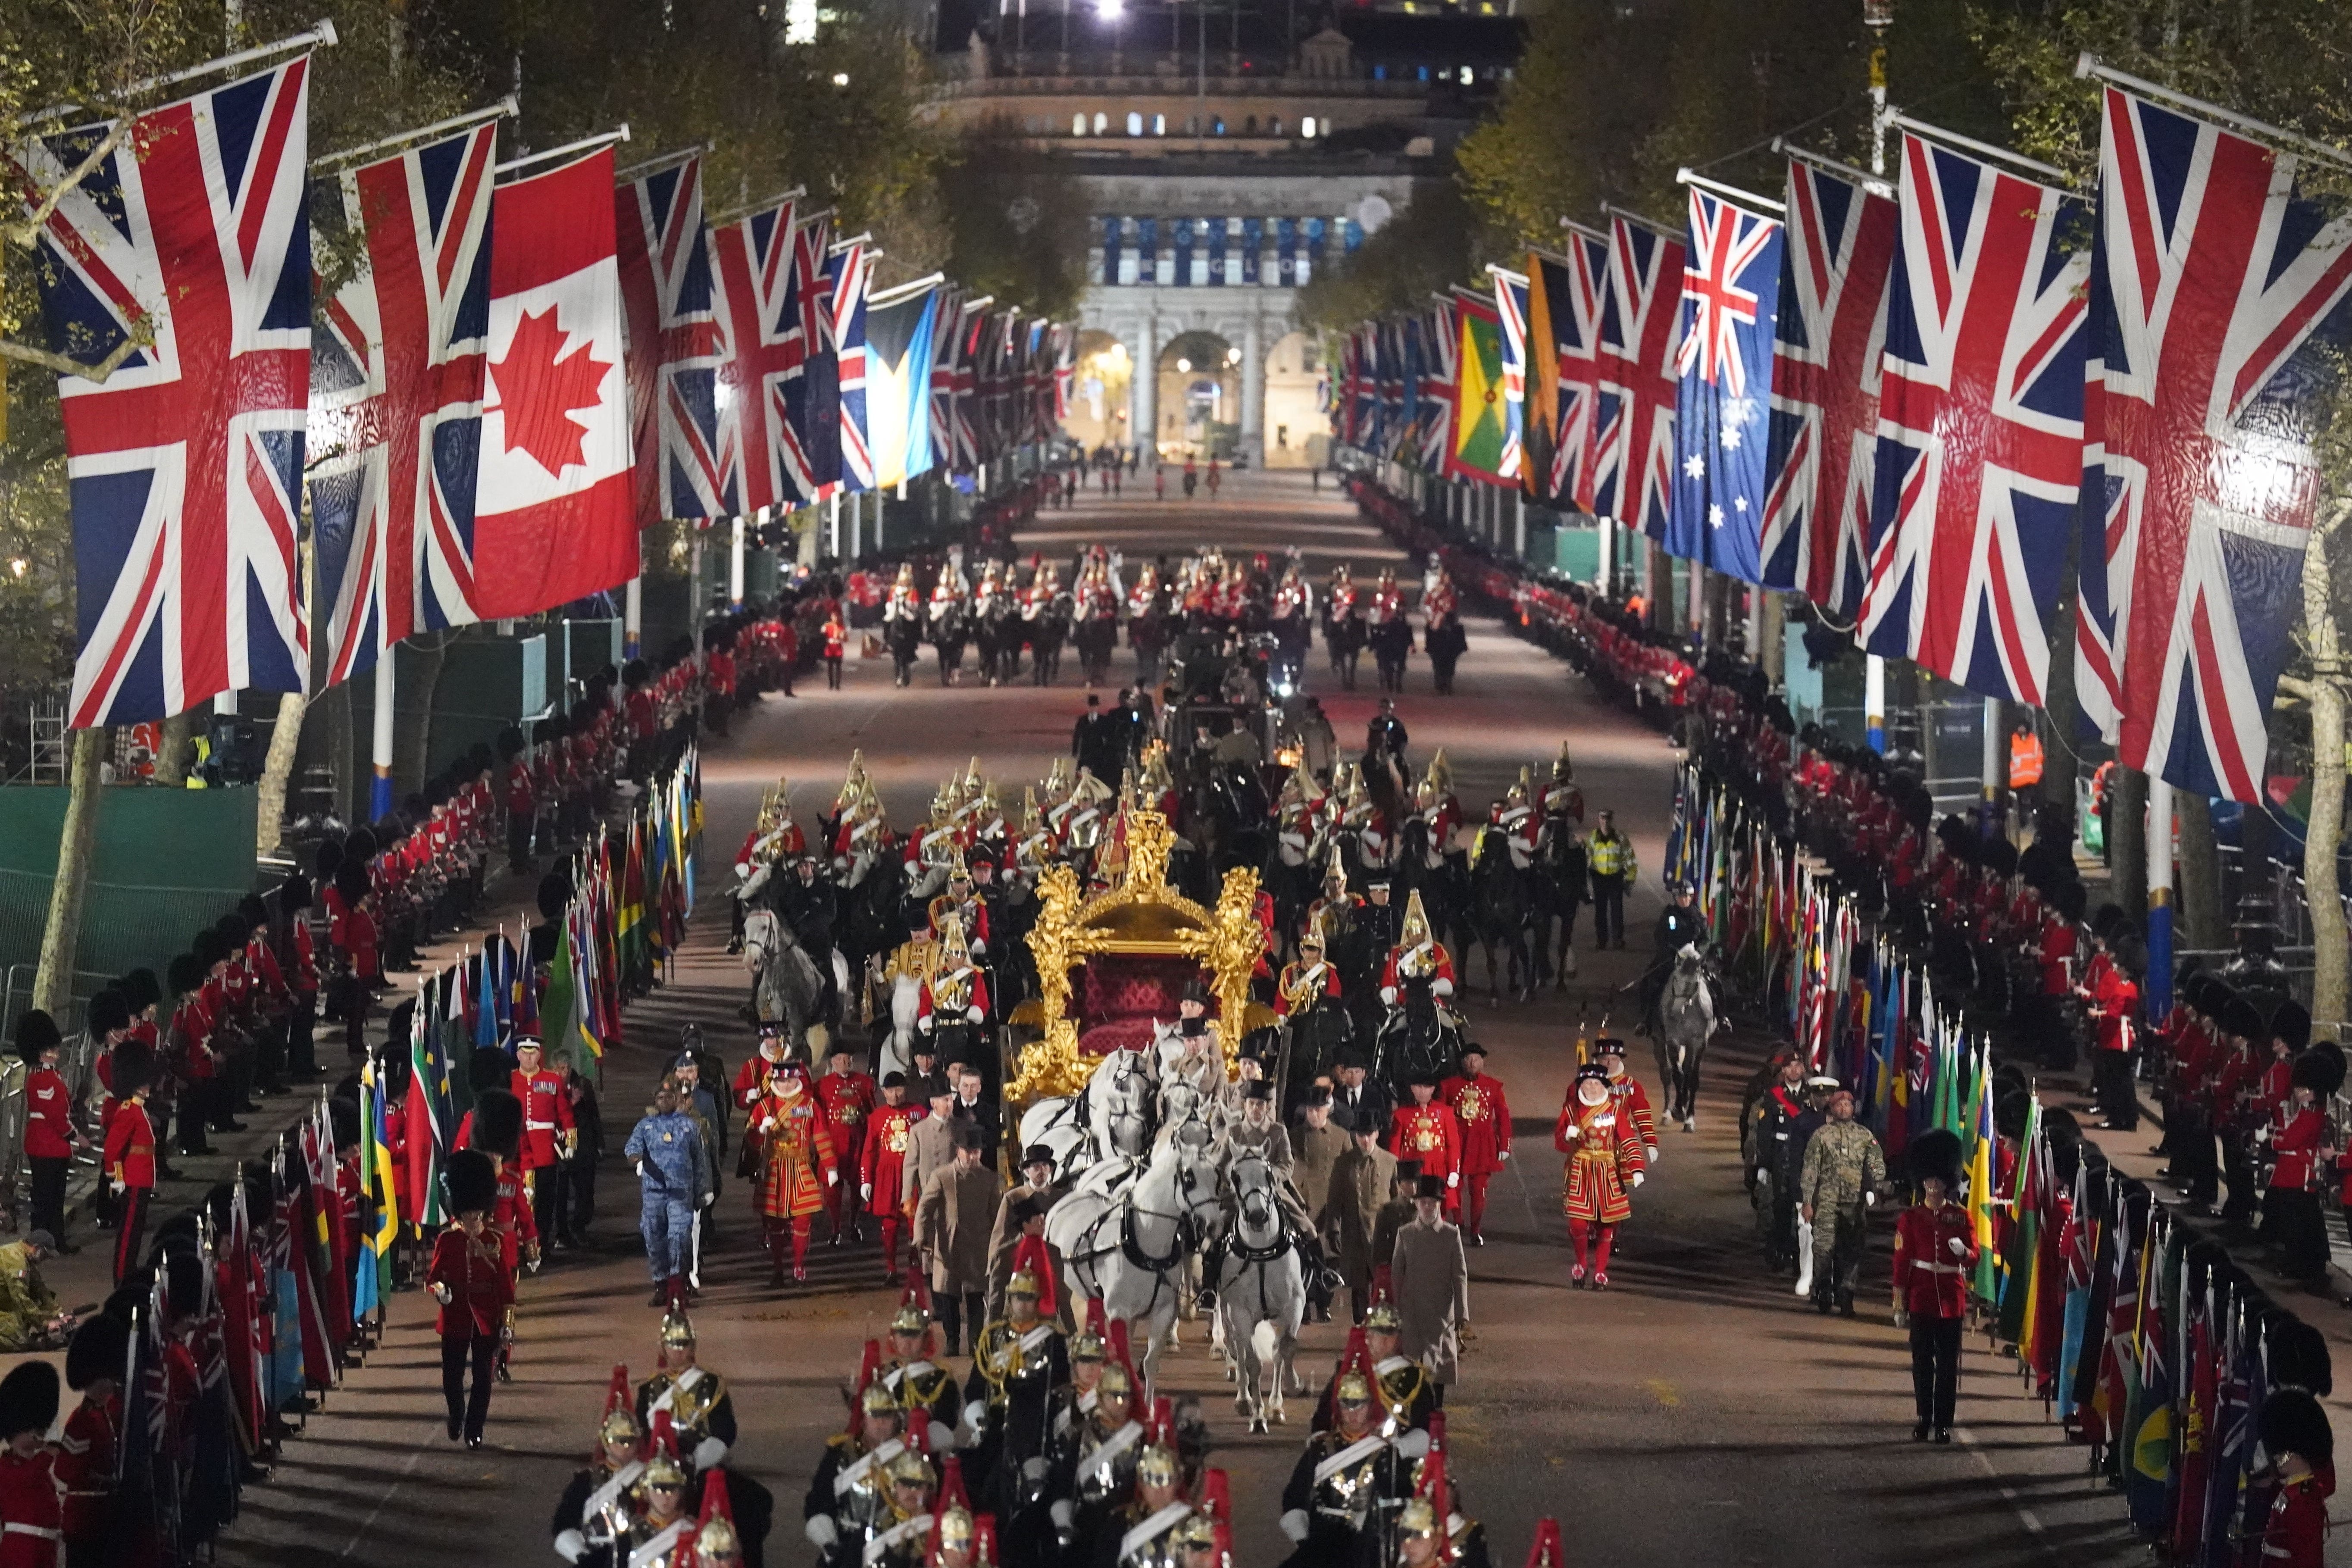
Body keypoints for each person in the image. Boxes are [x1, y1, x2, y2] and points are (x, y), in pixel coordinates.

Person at [1892, 1129, 1974, 1443]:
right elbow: (1901, 1263)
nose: (1933, 1185)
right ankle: (1925, 1417)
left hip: (1951, 1299)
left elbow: (1975, 1256)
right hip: (1922, 1298)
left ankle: (1944, 1421)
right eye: (1928, 1180)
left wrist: (1964, 1253)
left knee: (1948, 1367)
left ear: (1946, 1181)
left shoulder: (1960, 1217)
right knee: (1923, 1364)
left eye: (1938, 1180)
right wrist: (1900, 1304)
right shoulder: (1911, 1218)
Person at [429, 1148, 513, 1449]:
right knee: (452, 1377)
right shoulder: (448, 1239)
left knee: (483, 1379)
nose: (472, 1216)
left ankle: (475, 1428)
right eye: (467, 1211)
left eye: (476, 1211)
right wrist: (441, 1290)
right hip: (455, 1318)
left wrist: (508, 1324)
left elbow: (506, 1288)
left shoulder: (494, 1242)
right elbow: (433, 1277)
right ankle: (457, 1413)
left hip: (486, 1319)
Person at [626, 1077, 712, 1311]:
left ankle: (678, 1285)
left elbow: (700, 1161)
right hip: (654, 1194)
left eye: (669, 1097)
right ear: (655, 1102)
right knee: (653, 1237)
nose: (664, 1101)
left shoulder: (688, 1126)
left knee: (679, 1237)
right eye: (660, 1098)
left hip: (680, 1194)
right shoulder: (646, 1126)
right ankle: (661, 1285)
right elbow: (632, 1148)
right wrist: (637, 1159)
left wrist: (701, 1192)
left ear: (677, 1100)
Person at [1797, 1088, 1885, 1317]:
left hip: (1854, 1204)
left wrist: (1873, 1185)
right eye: (1839, 1105)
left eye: (1848, 1105)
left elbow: (1877, 1164)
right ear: (1832, 1108)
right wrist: (1807, 1201)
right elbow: (1810, 1170)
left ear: (1853, 1108)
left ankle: (1847, 1294)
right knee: (1823, 1248)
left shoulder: (1865, 1136)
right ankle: (1824, 1290)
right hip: (1826, 1201)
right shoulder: (1821, 1136)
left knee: (1852, 1250)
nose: (1844, 1108)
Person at [1555, 1063, 1644, 1290]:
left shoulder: (1615, 1111)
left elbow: (1628, 1139)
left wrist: (1637, 1167)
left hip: (1608, 1171)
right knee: (1577, 1224)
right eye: (1587, 1083)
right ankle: (1582, 1263)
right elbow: (1559, 1143)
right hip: (1580, 1170)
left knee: (1608, 1224)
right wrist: (1568, 1136)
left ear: (1604, 1086)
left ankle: (1601, 1272)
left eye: (1596, 1083)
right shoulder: (1571, 1110)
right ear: (1580, 1086)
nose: (1592, 1087)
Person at [916, 1126, 1000, 1355]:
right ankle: (952, 1341)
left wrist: (1000, 1243)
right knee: (949, 1297)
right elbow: (925, 1208)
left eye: (977, 1152)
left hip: (978, 1246)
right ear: (958, 1151)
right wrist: (920, 1236)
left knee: (975, 1297)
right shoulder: (942, 1176)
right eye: (969, 1152)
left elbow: (997, 1215)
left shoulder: (989, 1179)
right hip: (949, 1245)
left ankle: (975, 1342)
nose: (973, 1156)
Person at [752, 1065, 839, 1285]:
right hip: (774, 1169)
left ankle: (799, 1265)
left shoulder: (810, 1105)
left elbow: (821, 1135)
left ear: (797, 1079)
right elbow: (750, 1141)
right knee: (774, 1222)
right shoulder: (764, 1106)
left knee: (803, 1219)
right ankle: (778, 1268)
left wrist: (830, 1166)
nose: (786, 1085)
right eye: (781, 1081)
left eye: (790, 1080)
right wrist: (760, 1130)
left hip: (801, 1166)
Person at [553, 1369, 649, 1566]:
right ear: (606, 1443)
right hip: (594, 1556)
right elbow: (563, 1524)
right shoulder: (586, 1481)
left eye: (630, 1441)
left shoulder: (650, 1477)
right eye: (619, 1441)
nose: (625, 1447)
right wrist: (582, 1556)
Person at [1388, 1176, 1468, 1402]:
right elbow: (1397, 1272)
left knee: (1440, 1365)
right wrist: (1396, 1307)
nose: (1427, 1206)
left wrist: (1462, 1313)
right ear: (1416, 1204)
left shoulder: (1451, 1235)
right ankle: (1415, 1414)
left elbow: (1459, 1275)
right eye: (1423, 1202)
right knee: (1412, 1363)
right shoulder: (1405, 1234)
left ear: (1439, 1205)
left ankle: (1436, 1411)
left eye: (1432, 1202)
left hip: (1440, 1310)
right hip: (1411, 1309)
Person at [636, 1309, 739, 1474]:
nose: (678, 1350)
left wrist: (703, 1457)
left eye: (684, 1344)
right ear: (663, 1347)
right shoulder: (648, 1388)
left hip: (703, 1464)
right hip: (658, 1466)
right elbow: (642, 1433)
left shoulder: (711, 1383)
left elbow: (725, 1430)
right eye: (673, 1344)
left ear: (693, 1347)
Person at [59, 1314, 125, 1567]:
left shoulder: (104, 1411)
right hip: (84, 1524)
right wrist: (100, 1479)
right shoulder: (82, 1422)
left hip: (100, 1519)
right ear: (95, 1380)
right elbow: (65, 1470)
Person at [1320, 1107, 1396, 1324]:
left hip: (1381, 1236)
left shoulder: (1390, 1162)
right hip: (1354, 1234)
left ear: (1377, 1134)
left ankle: (1382, 1328)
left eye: (1369, 1135)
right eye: (1360, 1135)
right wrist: (1333, 1229)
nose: (1365, 1140)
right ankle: (1360, 1328)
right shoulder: (1343, 1163)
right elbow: (1334, 1200)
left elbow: (1396, 1200)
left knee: (1382, 1284)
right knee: (1360, 1287)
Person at [17, 1012, 85, 1253]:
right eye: (51, 1049)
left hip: (51, 1145)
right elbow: (56, 1115)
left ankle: (53, 1240)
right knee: (46, 1199)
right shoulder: (43, 1078)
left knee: (53, 1198)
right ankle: (40, 1243)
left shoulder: (50, 1075)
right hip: (47, 1144)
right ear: (41, 1052)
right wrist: (75, 1136)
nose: (56, 1053)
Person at [1437, 1047, 1510, 1247]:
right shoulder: (1448, 1085)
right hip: (1456, 1142)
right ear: (1462, 1062)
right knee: (1454, 1186)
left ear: (1482, 1062)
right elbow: (1441, 1114)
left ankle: (1476, 1229)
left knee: (1479, 1190)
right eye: (1468, 1059)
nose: (1472, 1063)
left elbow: (1503, 1117)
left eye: (1476, 1059)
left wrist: (1504, 1145)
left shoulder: (1493, 1086)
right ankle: (1459, 1223)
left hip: (1482, 1144)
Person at [513, 1036, 578, 1253]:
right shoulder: (510, 1080)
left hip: (545, 1151)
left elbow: (565, 1113)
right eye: (525, 1053)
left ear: (540, 1055)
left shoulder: (553, 1080)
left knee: (546, 1200)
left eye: (533, 1053)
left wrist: (571, 1141)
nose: (529, 1057)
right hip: (518, 1151)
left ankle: (543, 1242)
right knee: (520, 1200)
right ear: (518, 1055)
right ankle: (521, 1244)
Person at [101, 1044, 158, 1287]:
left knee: (135, 1232)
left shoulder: (138, 1109)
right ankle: (123, 1277)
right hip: (133, 1181)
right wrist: (118, 1178)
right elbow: (112, 1150)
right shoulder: (128, 1111)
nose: (149, 1087)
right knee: (128, 1234)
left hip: (142, 1179)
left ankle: (129, 1272)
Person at [987, 1145, 1064, 1322]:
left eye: (1045, 1166)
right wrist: (993, 1266)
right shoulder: (1014, 1197)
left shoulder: (1059, 1198)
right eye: (1036, 1167)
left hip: (1054, 1259)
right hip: (1023, 1262)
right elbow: (1000, 1234)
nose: (1041, 1171)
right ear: (1027, 1171)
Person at [2256, 1390, 2332, 1568]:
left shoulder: (2304, 1500)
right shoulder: (2292, 1491)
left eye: (2282, 1454)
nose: (2276, 1458)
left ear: (2296, 1454)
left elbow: (2308, 1558)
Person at [862, 1074, 928, 1280]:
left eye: (898, 1090)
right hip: (887, 1174)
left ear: (905, 1090)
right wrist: (866, 1179)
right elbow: (869, 1151)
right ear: (883, 1092)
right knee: (889, 1223)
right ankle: (891, 1267)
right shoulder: (876, 1117)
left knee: (915, 1220)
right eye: (890, 1091)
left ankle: (915, 1262)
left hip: (913, 1174)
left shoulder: (920, 1112)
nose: (894, 1095)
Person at [0, 1362, 62, 1566]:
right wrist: (49, 1453)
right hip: (21, 1551)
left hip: (44, 1549)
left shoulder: (36, 1466)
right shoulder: (7, 1466)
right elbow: (27, 1478)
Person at [0, 1232, 68, 1353]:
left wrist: (60, 1315)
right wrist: (45, 1324)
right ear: (37, 1248)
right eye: (45, 1255)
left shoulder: (24, 1257)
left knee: (26, 1316)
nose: (45, 1259)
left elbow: (41, 1290)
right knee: (19, 1342)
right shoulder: (16, 1261)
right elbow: (21, 1299)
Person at [1586, 810, 1634, 949]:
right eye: (1602, 818)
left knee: (1617, 912)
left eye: (1608, 818)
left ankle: (1618, 940)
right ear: (1599, 819)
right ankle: (1602, 941)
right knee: (1600, 912)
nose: (1605, 821)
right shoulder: (1593, 838)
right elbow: (1587, 855)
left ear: (1611, 820)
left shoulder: (1620, 838)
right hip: (1599, 878)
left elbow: (1630, 858)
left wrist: (1630, 879)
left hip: (1615, 878)